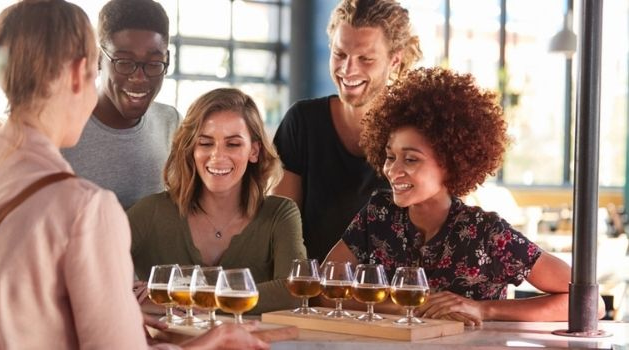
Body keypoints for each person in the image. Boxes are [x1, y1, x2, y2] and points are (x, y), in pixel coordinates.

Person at [0, 1, 267, 349]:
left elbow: (2, 302)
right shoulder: (86, 208)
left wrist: (111, 314)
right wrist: (210, 342)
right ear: (83, 70)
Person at [323, 67, 596, 325]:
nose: (393, 170)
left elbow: (586, 302)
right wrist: (414, 307)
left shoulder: (487, 233)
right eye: (390, 157)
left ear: (450, 163)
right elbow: (324, 289)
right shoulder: (378, 214)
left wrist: (483, 309)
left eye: (411, 159)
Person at [128, 88, 307, 314]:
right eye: (205, 143)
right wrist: (128, 293)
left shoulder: (280, 214)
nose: (217, 156)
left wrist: (184, 297)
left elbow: (292, 292)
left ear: (254, 150)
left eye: (232, 144)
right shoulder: (150, 212)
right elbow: (89, 271)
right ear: (191, 148)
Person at [272, 0, 422, 262]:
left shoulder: (421, 131)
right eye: (340, 54)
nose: (348, 70)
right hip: (313, 292)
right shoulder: (302, 123)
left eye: (366, 59)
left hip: (392, 296)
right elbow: (282, 225)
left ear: (394, 61)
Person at [62, 0, 180, 209]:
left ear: (167, 60)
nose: (139, 78)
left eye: (153, 64)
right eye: (124, 62)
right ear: (98, 59)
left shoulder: (171, 123)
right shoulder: (61, 129)